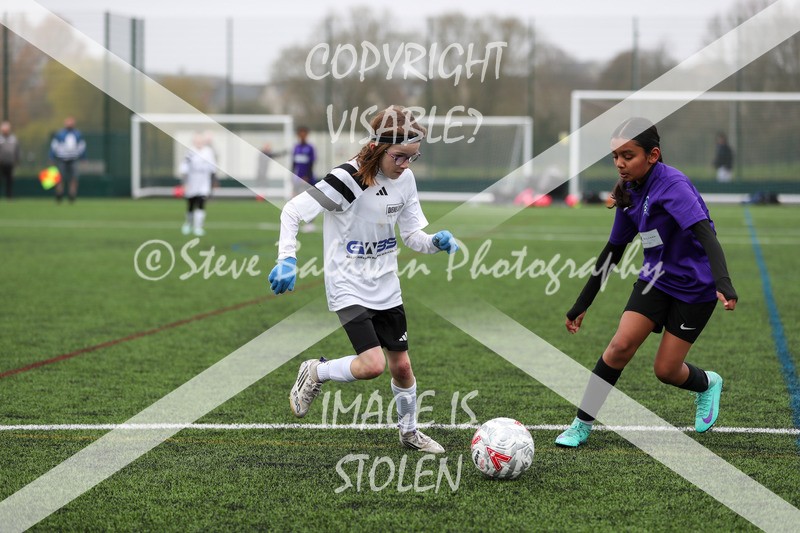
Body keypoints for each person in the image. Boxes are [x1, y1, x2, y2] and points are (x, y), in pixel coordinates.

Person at [269, 105, 459, 454]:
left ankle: (409, 433)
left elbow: (413, 234)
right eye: (400, 157)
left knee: (401, 367)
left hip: (386, 285)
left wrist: (434, 242)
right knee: (372, 365)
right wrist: (287, 259)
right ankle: (316, 371)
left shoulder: (406, 181)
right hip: (347, 284)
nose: (406, 166)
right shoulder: (347, 179)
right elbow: (293, 211)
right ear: (378, 147)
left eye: (413, 158)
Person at [556, 117, 738, 448]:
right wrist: (582, 304)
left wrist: (723, 283)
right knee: (619, 347)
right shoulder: (627, 193)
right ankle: (581, 424)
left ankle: (708, 383)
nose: (620, 164)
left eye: (628, 156)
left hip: (695, 287)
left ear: (652, 155)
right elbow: (612, 252)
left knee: (666, 370)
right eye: (615, 156)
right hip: (654, 279)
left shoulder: (674, 186)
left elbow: (704, 233)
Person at [179, 132, 217, 237]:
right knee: (191, 205)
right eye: (197, 140)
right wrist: (184, 183)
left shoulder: (208, 151)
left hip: (204, 183)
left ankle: (198, 227)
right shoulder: (190, 152)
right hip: (192, 183)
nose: (199, 142)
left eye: (201, 140)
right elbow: (184, 168)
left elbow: (213, 167)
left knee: (201, 203)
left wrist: (213, 181)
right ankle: (188, 224)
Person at [50, 117, 86, 203]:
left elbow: (82, 147)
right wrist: (51, 157)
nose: (69, 124)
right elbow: (54, 146)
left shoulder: (78, 134)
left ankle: (72, 195)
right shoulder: (60, 134)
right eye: (68, 122)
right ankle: (59, 194)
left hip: (73, 159)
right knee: (59, 178)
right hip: (62, 159)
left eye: (71, 122)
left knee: (74, 178)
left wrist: (83, 158)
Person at [0, 121, 20, 199]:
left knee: (10, 180)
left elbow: (17, 150)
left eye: (7, 129)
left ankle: (9, 196)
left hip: (10, 163)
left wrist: (17, 160)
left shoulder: (13, 139)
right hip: (1, 163)